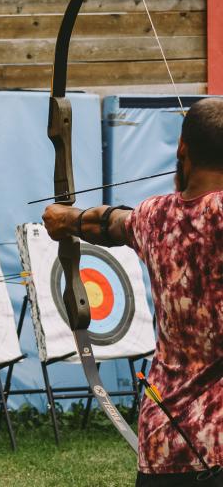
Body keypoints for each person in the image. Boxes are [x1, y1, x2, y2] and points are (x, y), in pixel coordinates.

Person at [42, 97, 223, 486]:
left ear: (182, 148)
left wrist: (65, 219)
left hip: (166, 440)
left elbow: (106, 224)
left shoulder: (156, 217)